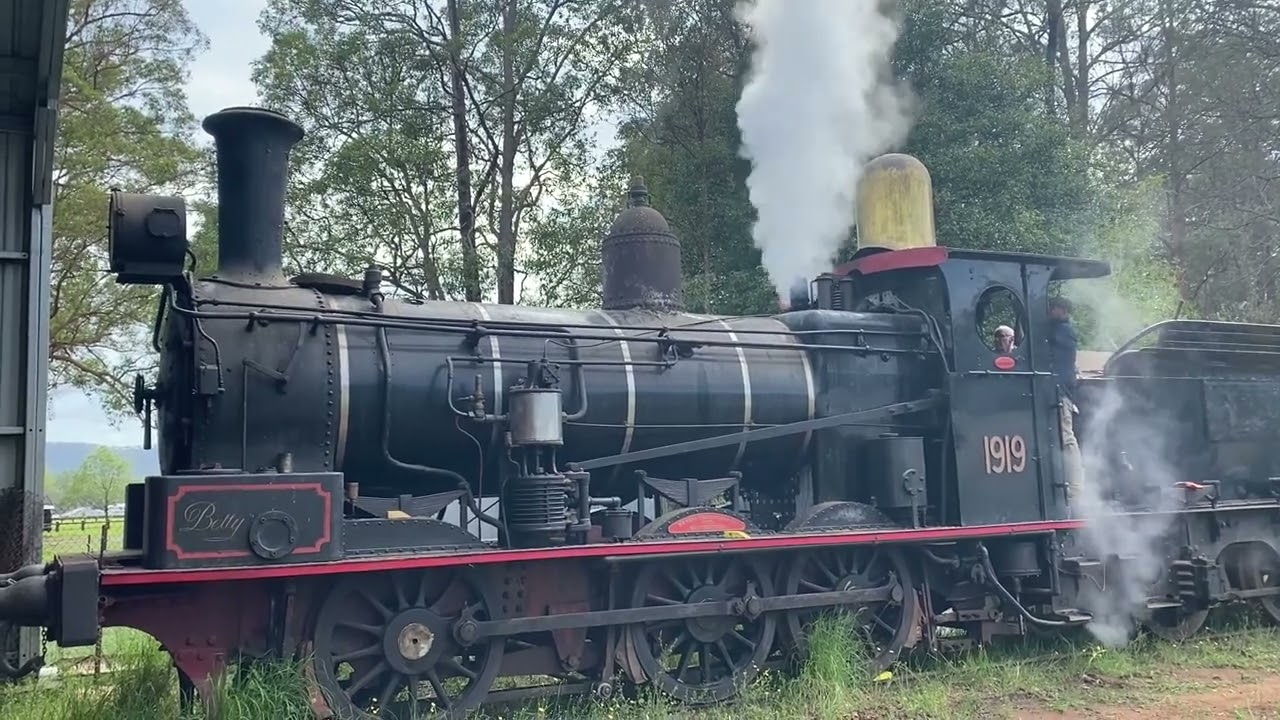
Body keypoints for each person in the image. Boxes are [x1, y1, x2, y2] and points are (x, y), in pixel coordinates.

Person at [1048, 296, 1083, 501]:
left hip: (1061, 392)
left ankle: (1076, 489)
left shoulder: (1063, 332)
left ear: (1062, 310)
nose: (1049, 312)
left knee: (1066, 438)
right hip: (1055, 391)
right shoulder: (1057, 330)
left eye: (1052, 308)